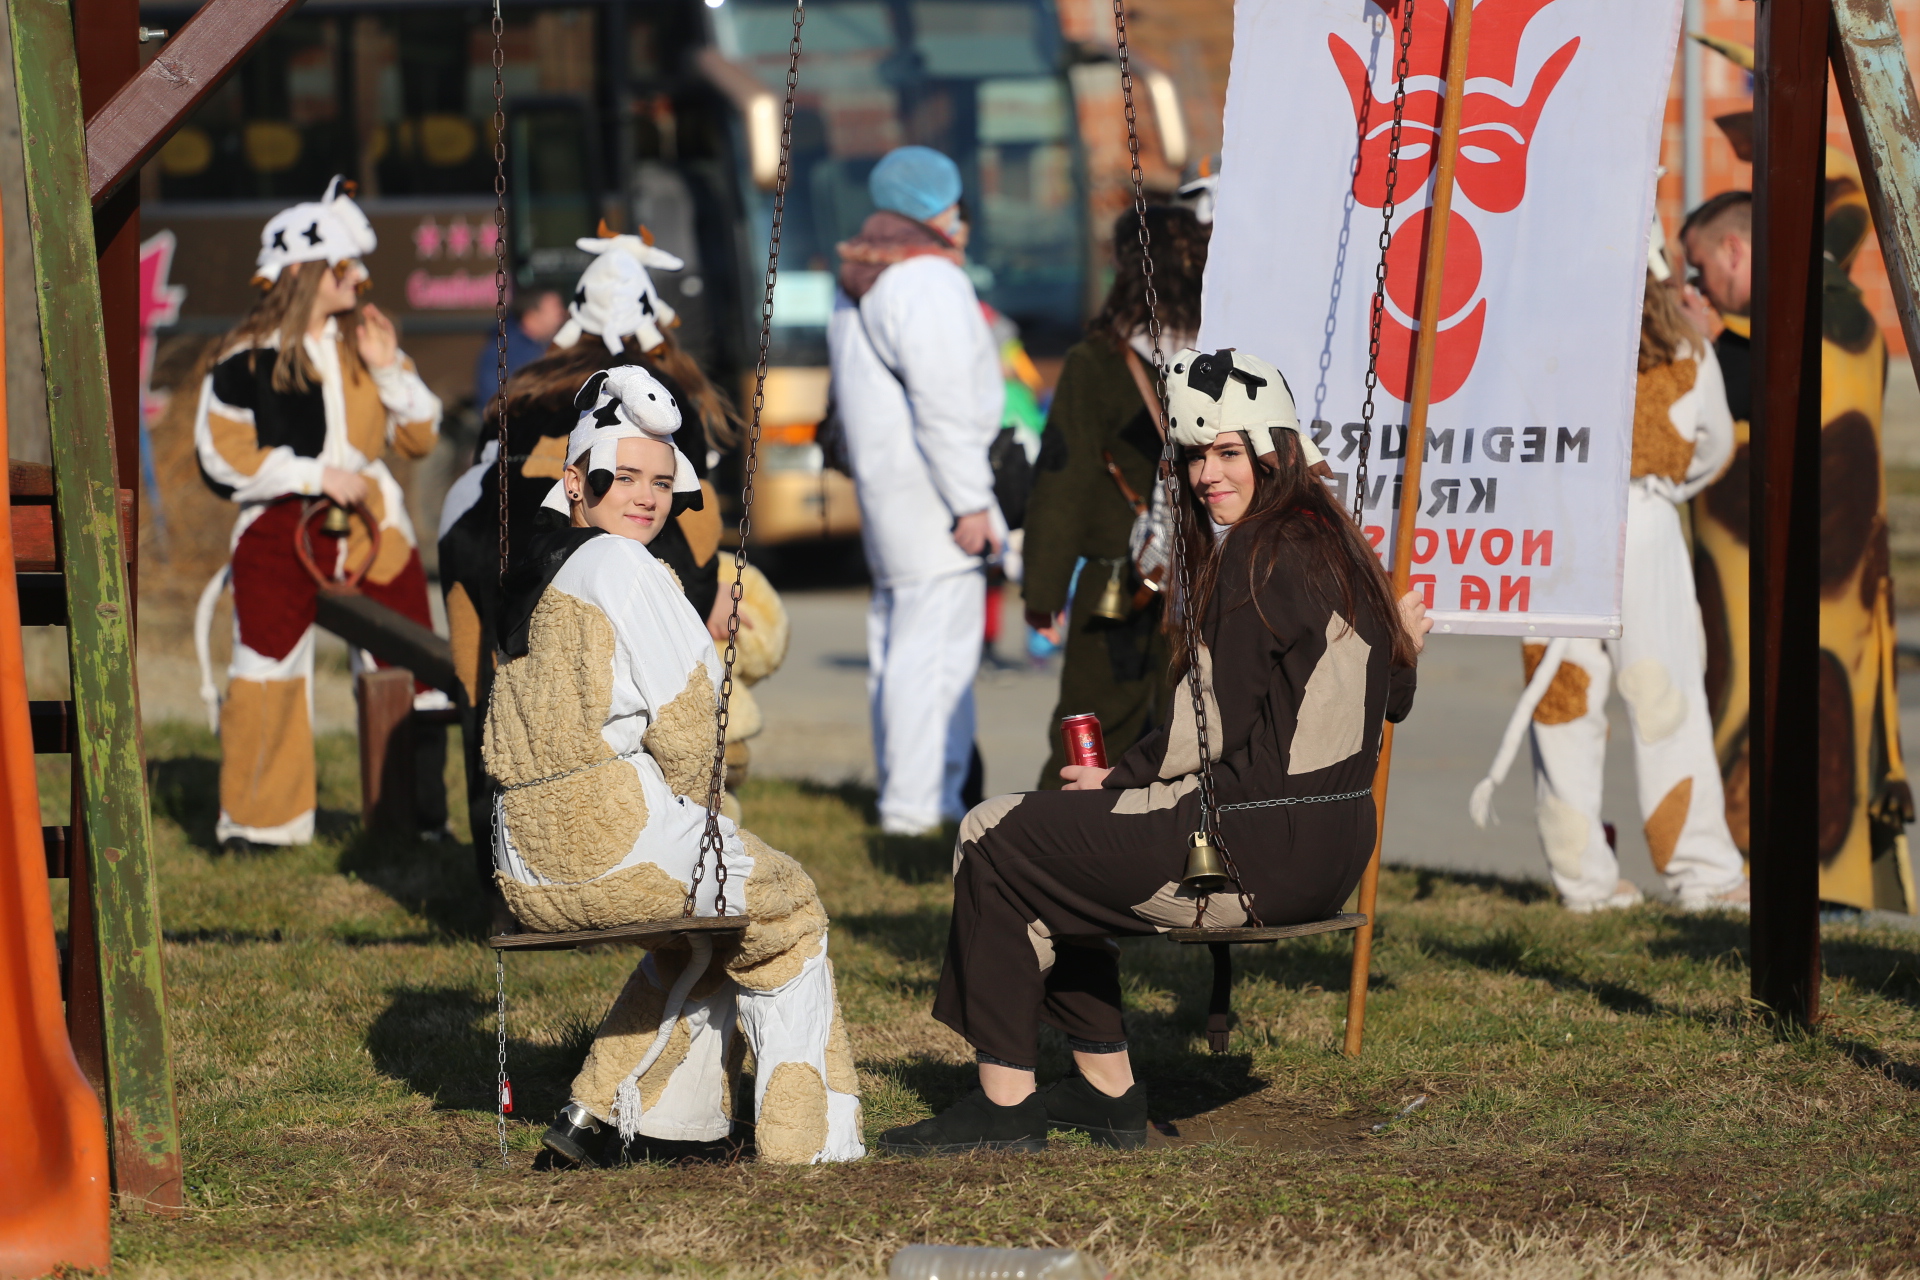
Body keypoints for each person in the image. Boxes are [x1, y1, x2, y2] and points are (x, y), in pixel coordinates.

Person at [878, 348, 1428, 1156]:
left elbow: (1207, 717)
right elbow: (1393, 702)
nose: (1208, 473)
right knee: (1047, 857)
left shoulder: (1260, 550)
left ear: (1274, 449)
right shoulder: (1340, 545)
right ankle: (1107, 1095)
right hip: (1330, 850)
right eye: (1197, 455)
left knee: (993, 836)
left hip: (1246, 851)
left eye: (1228, 452)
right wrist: (1407, 649)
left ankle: (1004, 1108)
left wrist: (1115, 780)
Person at [489, 366, 863, 1167]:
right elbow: (695, 728)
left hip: (521, 853)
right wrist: (706, 820)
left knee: (706, 936)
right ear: (576, 480)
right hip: (608, 835)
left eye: (662, 481)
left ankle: (628, 1123)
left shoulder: (535, 569)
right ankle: (815, 1146)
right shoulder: (622, 566)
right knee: (789, 910)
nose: (647, 497)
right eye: (624, 477)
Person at [439, 227, 764, 854]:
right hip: (574, 570)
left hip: (475, 549)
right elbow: (690, 525)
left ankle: (498, 867)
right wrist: (705, 591)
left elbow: (480, 473)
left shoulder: (522, 389)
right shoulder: (658, 402)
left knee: (485, 706)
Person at [1470, 230, 1747, 912]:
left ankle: (1584, 880)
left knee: (1563, 695)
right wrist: (1659, 489)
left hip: (1553, 522)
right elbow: (1711, 445)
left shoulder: (1531, 342)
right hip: (1641, 524)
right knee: (1664, 697)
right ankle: (1702, 874)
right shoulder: (1683, 346)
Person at [1681, 176, 1915, 913]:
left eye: (1701, 268)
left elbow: (1775, 391)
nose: (1701, 285)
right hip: (1819, 577)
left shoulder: (1820, 305)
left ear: (1735, 249)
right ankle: (1795, 884)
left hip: (1823, 582)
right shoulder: (1814, 295)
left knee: (1811, 729)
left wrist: (1710, 343)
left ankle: (1817, 894)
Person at [194, 177, 445, 851]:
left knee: (416, 666)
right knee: (265, 667)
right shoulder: (245, 354)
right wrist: (312, 475)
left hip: (375, 530)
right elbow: (221, 454)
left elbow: (420, 435)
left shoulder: (363, 341)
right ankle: (260, 826)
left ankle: (417, 819)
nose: (361, 278)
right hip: (279, 528)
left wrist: (390, 369)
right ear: (308, 272)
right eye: (346, 267)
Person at [830, 145, 1006, 836]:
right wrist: (971, 501)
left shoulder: (862, 274)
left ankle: (914, 795)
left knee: (899, 646)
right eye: (954, 203)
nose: (961, 217)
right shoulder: (927, 278)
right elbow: (944, 403)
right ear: (935, 209)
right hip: (935, 494)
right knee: (935, 655)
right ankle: (916, 807)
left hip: (890, 489)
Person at [1023, 207, 1207, 789]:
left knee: (1091, 734)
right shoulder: (1224, 360)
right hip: (1205, 575)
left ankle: (1064, 859)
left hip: (1118, 582)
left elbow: (1063, 480)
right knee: (1189, 738)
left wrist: (1043, 590)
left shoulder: (1095, 362)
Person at [472, 287, 568, 409]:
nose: (562, 313)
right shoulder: (501, 353)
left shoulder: (549, 346)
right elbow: (494, 404)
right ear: (532, 315)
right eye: (556, 308)